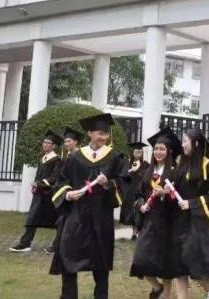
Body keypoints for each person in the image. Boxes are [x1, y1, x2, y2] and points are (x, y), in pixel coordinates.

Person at [49, 113, 124, 299]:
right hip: (77, 215)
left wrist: (109, 184)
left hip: (101, 217)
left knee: (101, 261)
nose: (103, 137)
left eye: (106, 134)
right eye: (100, 133)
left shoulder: (114, 157)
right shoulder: (74, 157)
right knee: (68, 255)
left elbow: (125, 183)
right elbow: (60, 181)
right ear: (89, 133)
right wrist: (68, 193)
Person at [172, 128, 209, 299]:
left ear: (195, 143)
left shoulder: (208, 166)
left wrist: (191, 203)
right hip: (180, 220)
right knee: (179, 265)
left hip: (198, 222)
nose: (182, 145)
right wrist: (169, 190)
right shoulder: (181, 163)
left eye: (185, 141)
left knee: (196, 265)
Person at [130, 127, 181, 299]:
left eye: (162, 149)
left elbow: (181, 198)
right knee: (140, 259)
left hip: (167, 222)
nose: (158, 152)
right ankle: (157, 287)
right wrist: (141, 205)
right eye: (156, 149)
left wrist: (166, 193)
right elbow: (138, 195)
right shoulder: (147, 172)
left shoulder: (174, 172)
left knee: (165, 264)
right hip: (149, 222)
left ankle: (166, 295)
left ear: (169, 151)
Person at [9, 130, 62, 253]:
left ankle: (57, 245)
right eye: (44, 142)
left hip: (49, 196)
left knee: (57, 222)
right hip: (40, 195)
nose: (45, 144)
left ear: (54, 146)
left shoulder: (56, 160)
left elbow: (54, 178)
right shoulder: (43, 158)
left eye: (48, 143)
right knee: (32, 219)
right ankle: (25, 243)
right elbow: (39, 175)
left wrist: (39, 184)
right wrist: (35, 185)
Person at [48, 127, 84, 256]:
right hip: (66, 193)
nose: (66, 143)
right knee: (63, 220)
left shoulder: (82, 157)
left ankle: (60, 246)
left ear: (76, 142)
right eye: (65, 141)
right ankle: (58, 246)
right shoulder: (66, 157)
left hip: (78, 194)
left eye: (68, 141)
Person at [121, 141, 150, 240]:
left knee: (140, 210)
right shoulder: (127, 162)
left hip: (141, 191)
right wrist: (130, 171)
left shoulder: (146, 164)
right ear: (132, 152)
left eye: (140, 152)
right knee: (132, 212)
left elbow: (147, 177)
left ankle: (139, 232)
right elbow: (122, 176)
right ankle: (134, 233)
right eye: (136, 152)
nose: (138, 153)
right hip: (130, 191)